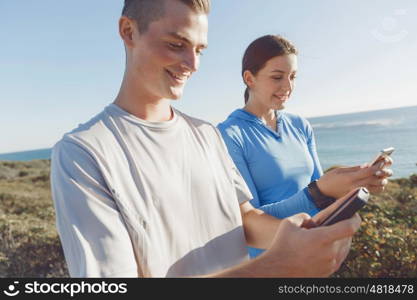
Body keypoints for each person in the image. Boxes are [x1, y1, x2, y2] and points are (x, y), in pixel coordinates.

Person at [51, 0, 361, 278]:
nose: (193, 64)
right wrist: (276, 266)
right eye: (176, 44)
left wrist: (305, 238)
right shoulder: (83, 153)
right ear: (129, 32)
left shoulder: (206, 134)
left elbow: (244, 221)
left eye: (199, 50)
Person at [217, 35, 393, 257]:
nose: (288, 86)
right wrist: (317, 193)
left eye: (293, 76)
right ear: (249, 78)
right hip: (267, 262)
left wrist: (355, 183)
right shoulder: (229, 135)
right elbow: (249, 221)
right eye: (277, 77)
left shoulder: (300, 125)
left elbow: (321, 194)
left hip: (313, 251)